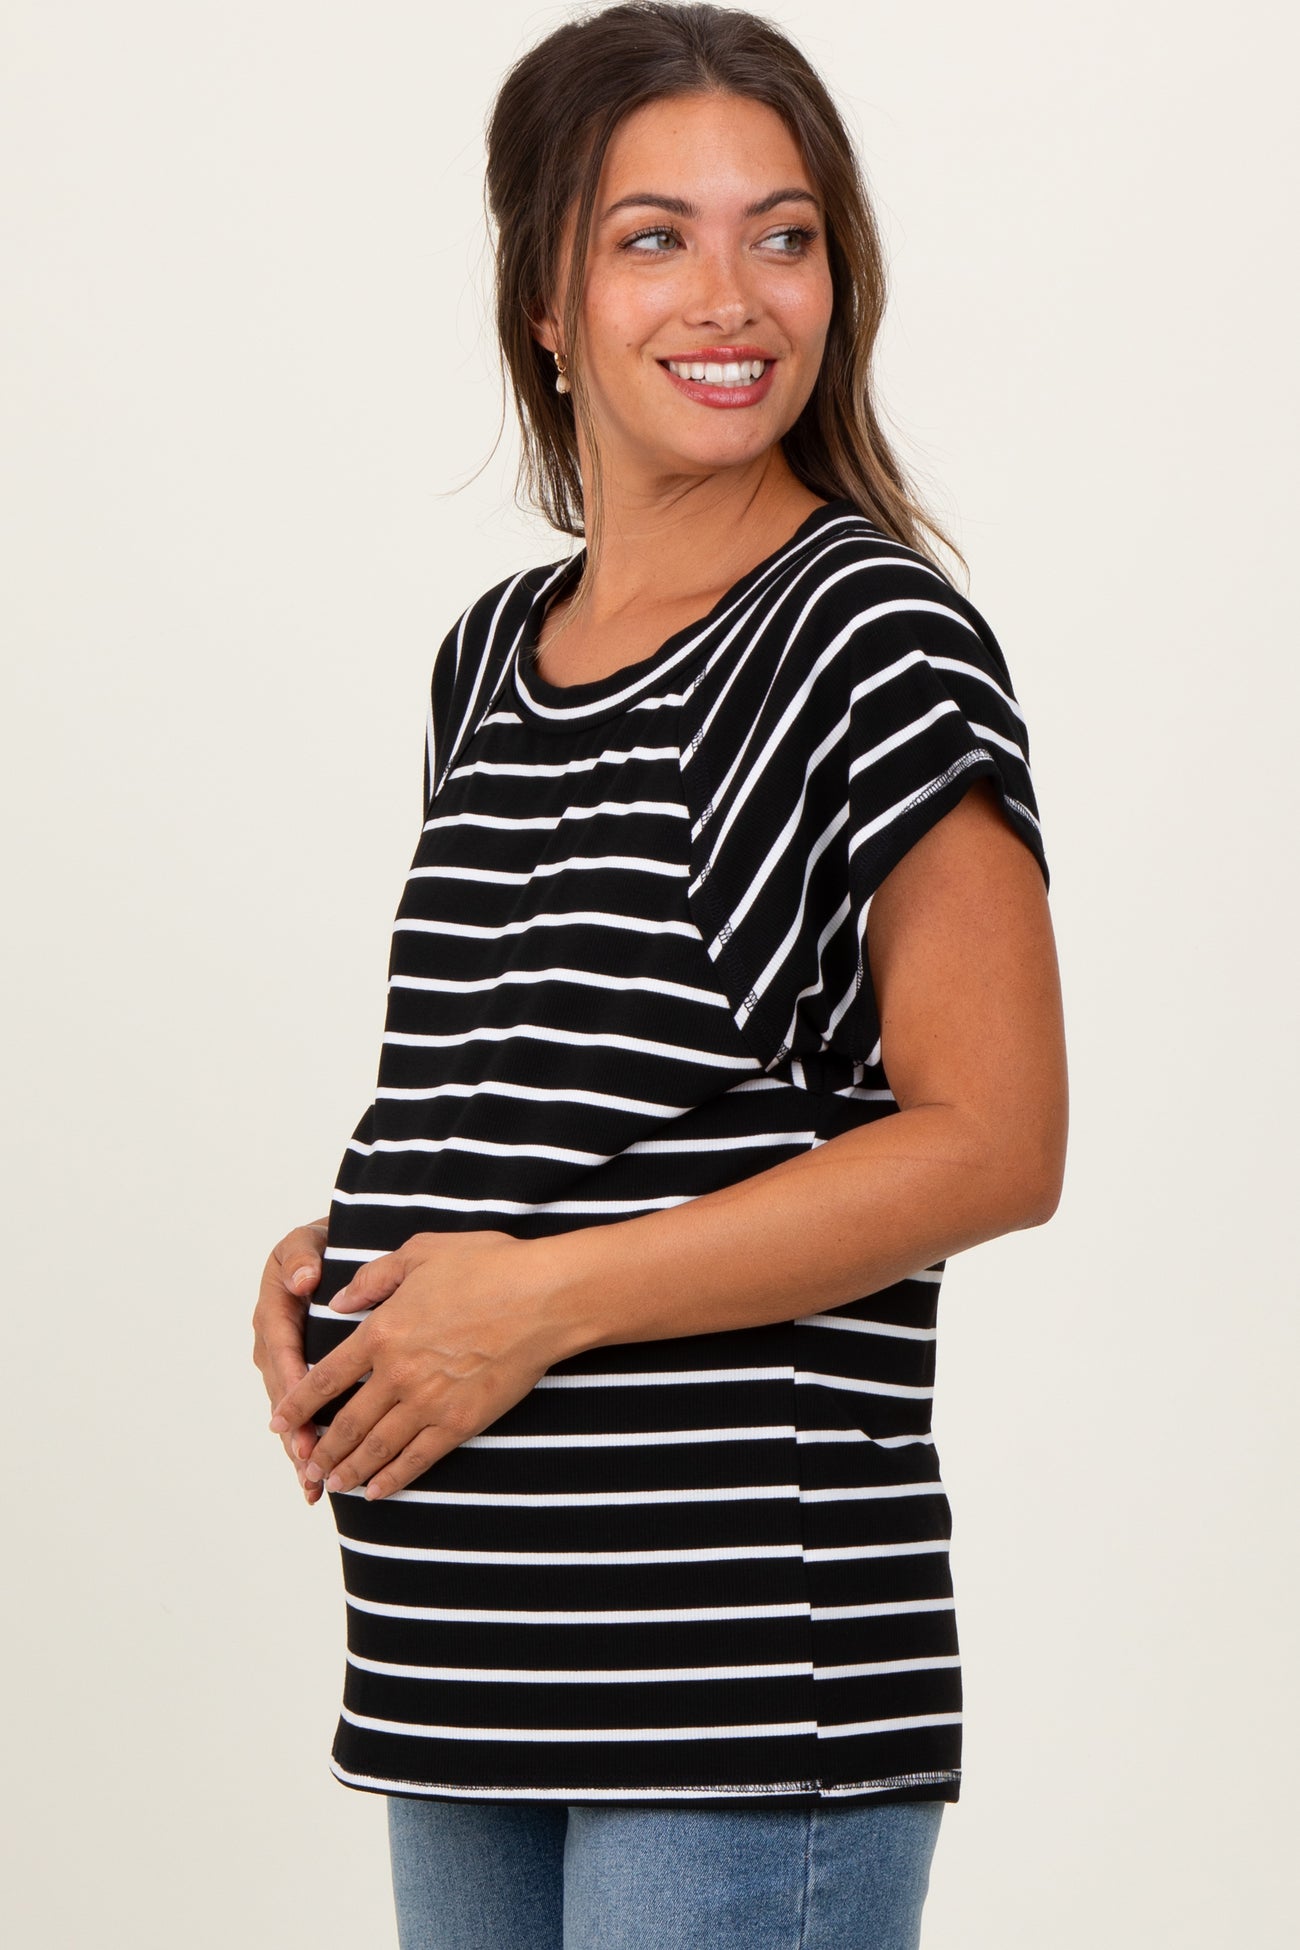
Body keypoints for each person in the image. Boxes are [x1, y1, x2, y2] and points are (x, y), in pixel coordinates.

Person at [251, 4, 1068, 1944]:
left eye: (782, 235)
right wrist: (359, 1256)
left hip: (733, 1681)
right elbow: (577, 1089)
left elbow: (993, 1142)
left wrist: (527, 1301)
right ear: (544, 300)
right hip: (461, 1647)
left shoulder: (869, 640)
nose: (730, 297)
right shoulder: (491, 656)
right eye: (653, 237)